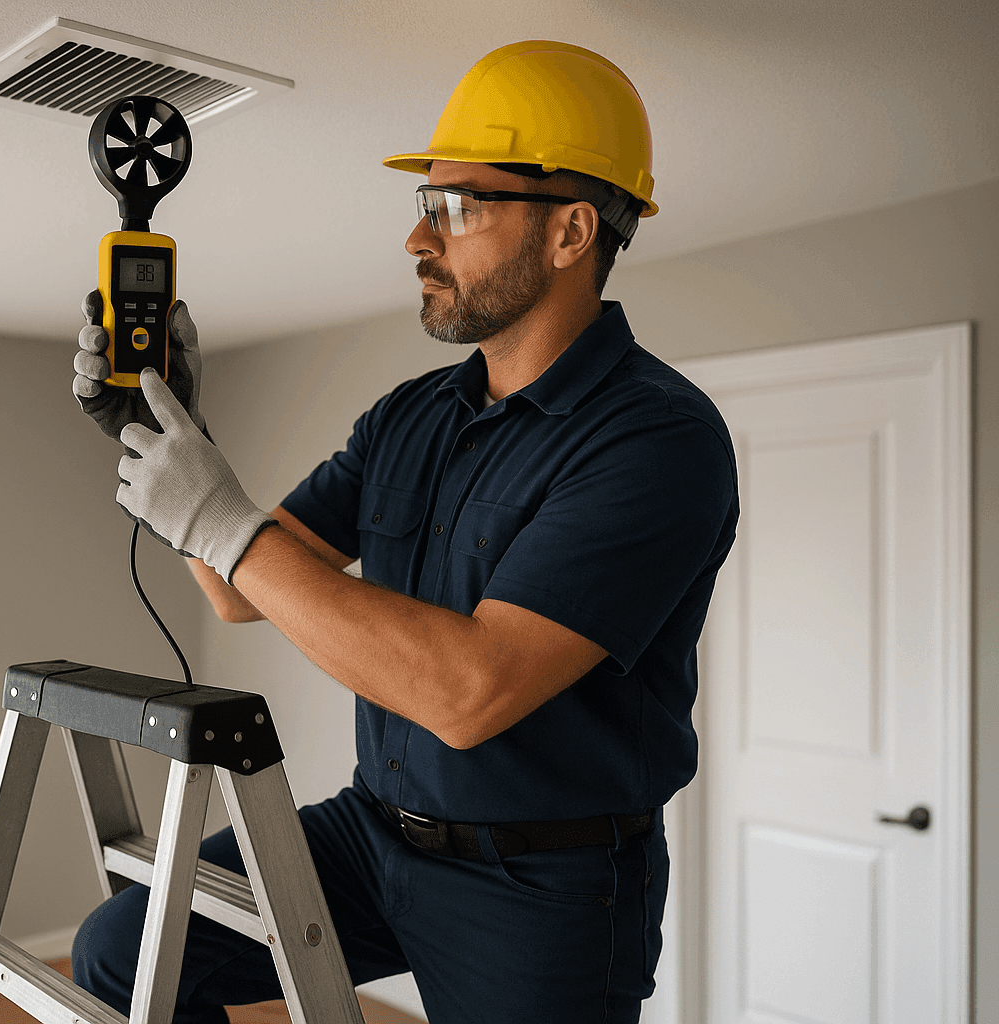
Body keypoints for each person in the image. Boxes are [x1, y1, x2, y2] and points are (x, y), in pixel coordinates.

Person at [69, 40, 738, 1024]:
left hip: (543, 885)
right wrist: (164, 432)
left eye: (458, 208)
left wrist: (221, 518)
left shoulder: (656, 438)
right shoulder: (412, 416)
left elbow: (470, 692)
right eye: (425, 207)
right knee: (124, 949)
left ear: (570, 231)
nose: (420, 242)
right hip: (371, 835)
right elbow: (234, 584)